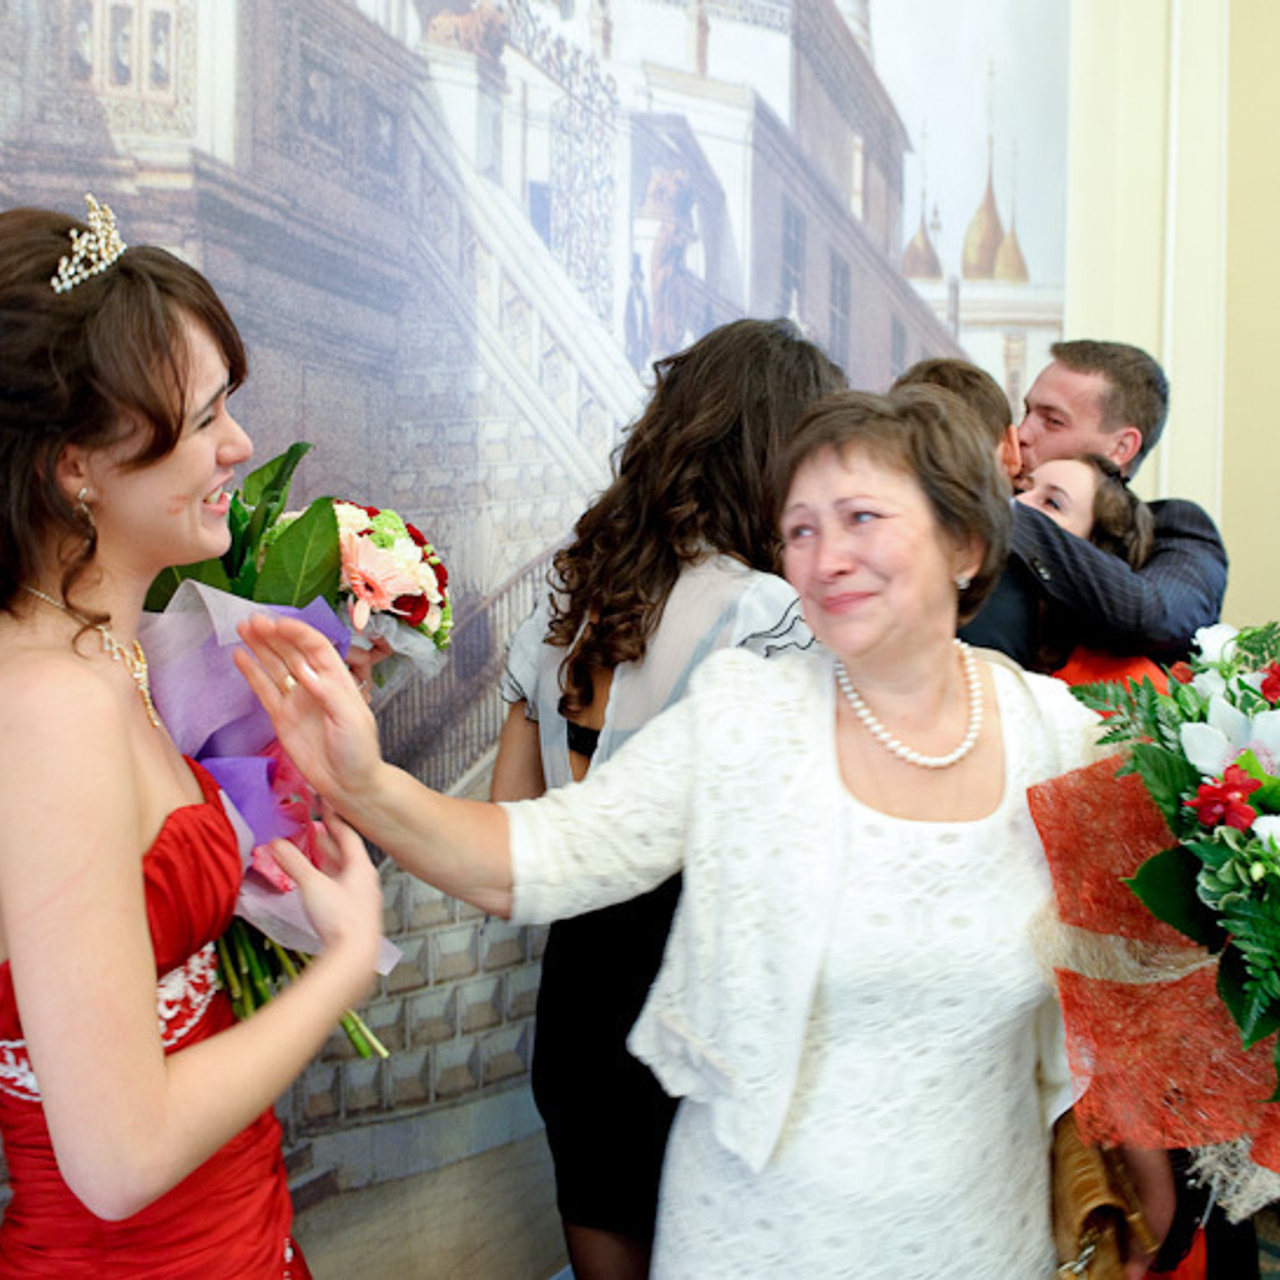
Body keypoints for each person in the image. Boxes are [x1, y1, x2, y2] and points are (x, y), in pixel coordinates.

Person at [237, 385, 1174, 1278]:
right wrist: (362, 782)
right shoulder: (744, 718)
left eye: (860, 519)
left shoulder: (1060, 740)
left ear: (967, 543)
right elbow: (537, 861)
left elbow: (1125, 982)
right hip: (751, 1244)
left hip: (979, 1243)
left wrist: (1148, 1175)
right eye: (799, 529)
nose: (823, 556)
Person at [0, 198, 383, 1277]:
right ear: (78, 466)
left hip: (238, 1230)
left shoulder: (107, 660)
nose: (240, 445)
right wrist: (343, 963)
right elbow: (116, 1157)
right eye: (205, 415)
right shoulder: (48, 705)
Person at [490, 317, 844, 1279]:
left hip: (579, 986)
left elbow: (512, 819)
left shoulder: (572, 593)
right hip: (699, 986)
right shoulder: (770, 615)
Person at [962, 340, 1228, 667]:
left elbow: (1152, 617)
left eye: (1053, 421)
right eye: (1028, 412)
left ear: (1121, 448)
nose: (1021, 433)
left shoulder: (1176, 526)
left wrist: (994, 507)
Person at [1014, 455, 1166, 689]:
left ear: (1094, 554)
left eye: (1052, 503)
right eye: (1022, 488)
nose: (1020, 502)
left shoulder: (1129, 684)